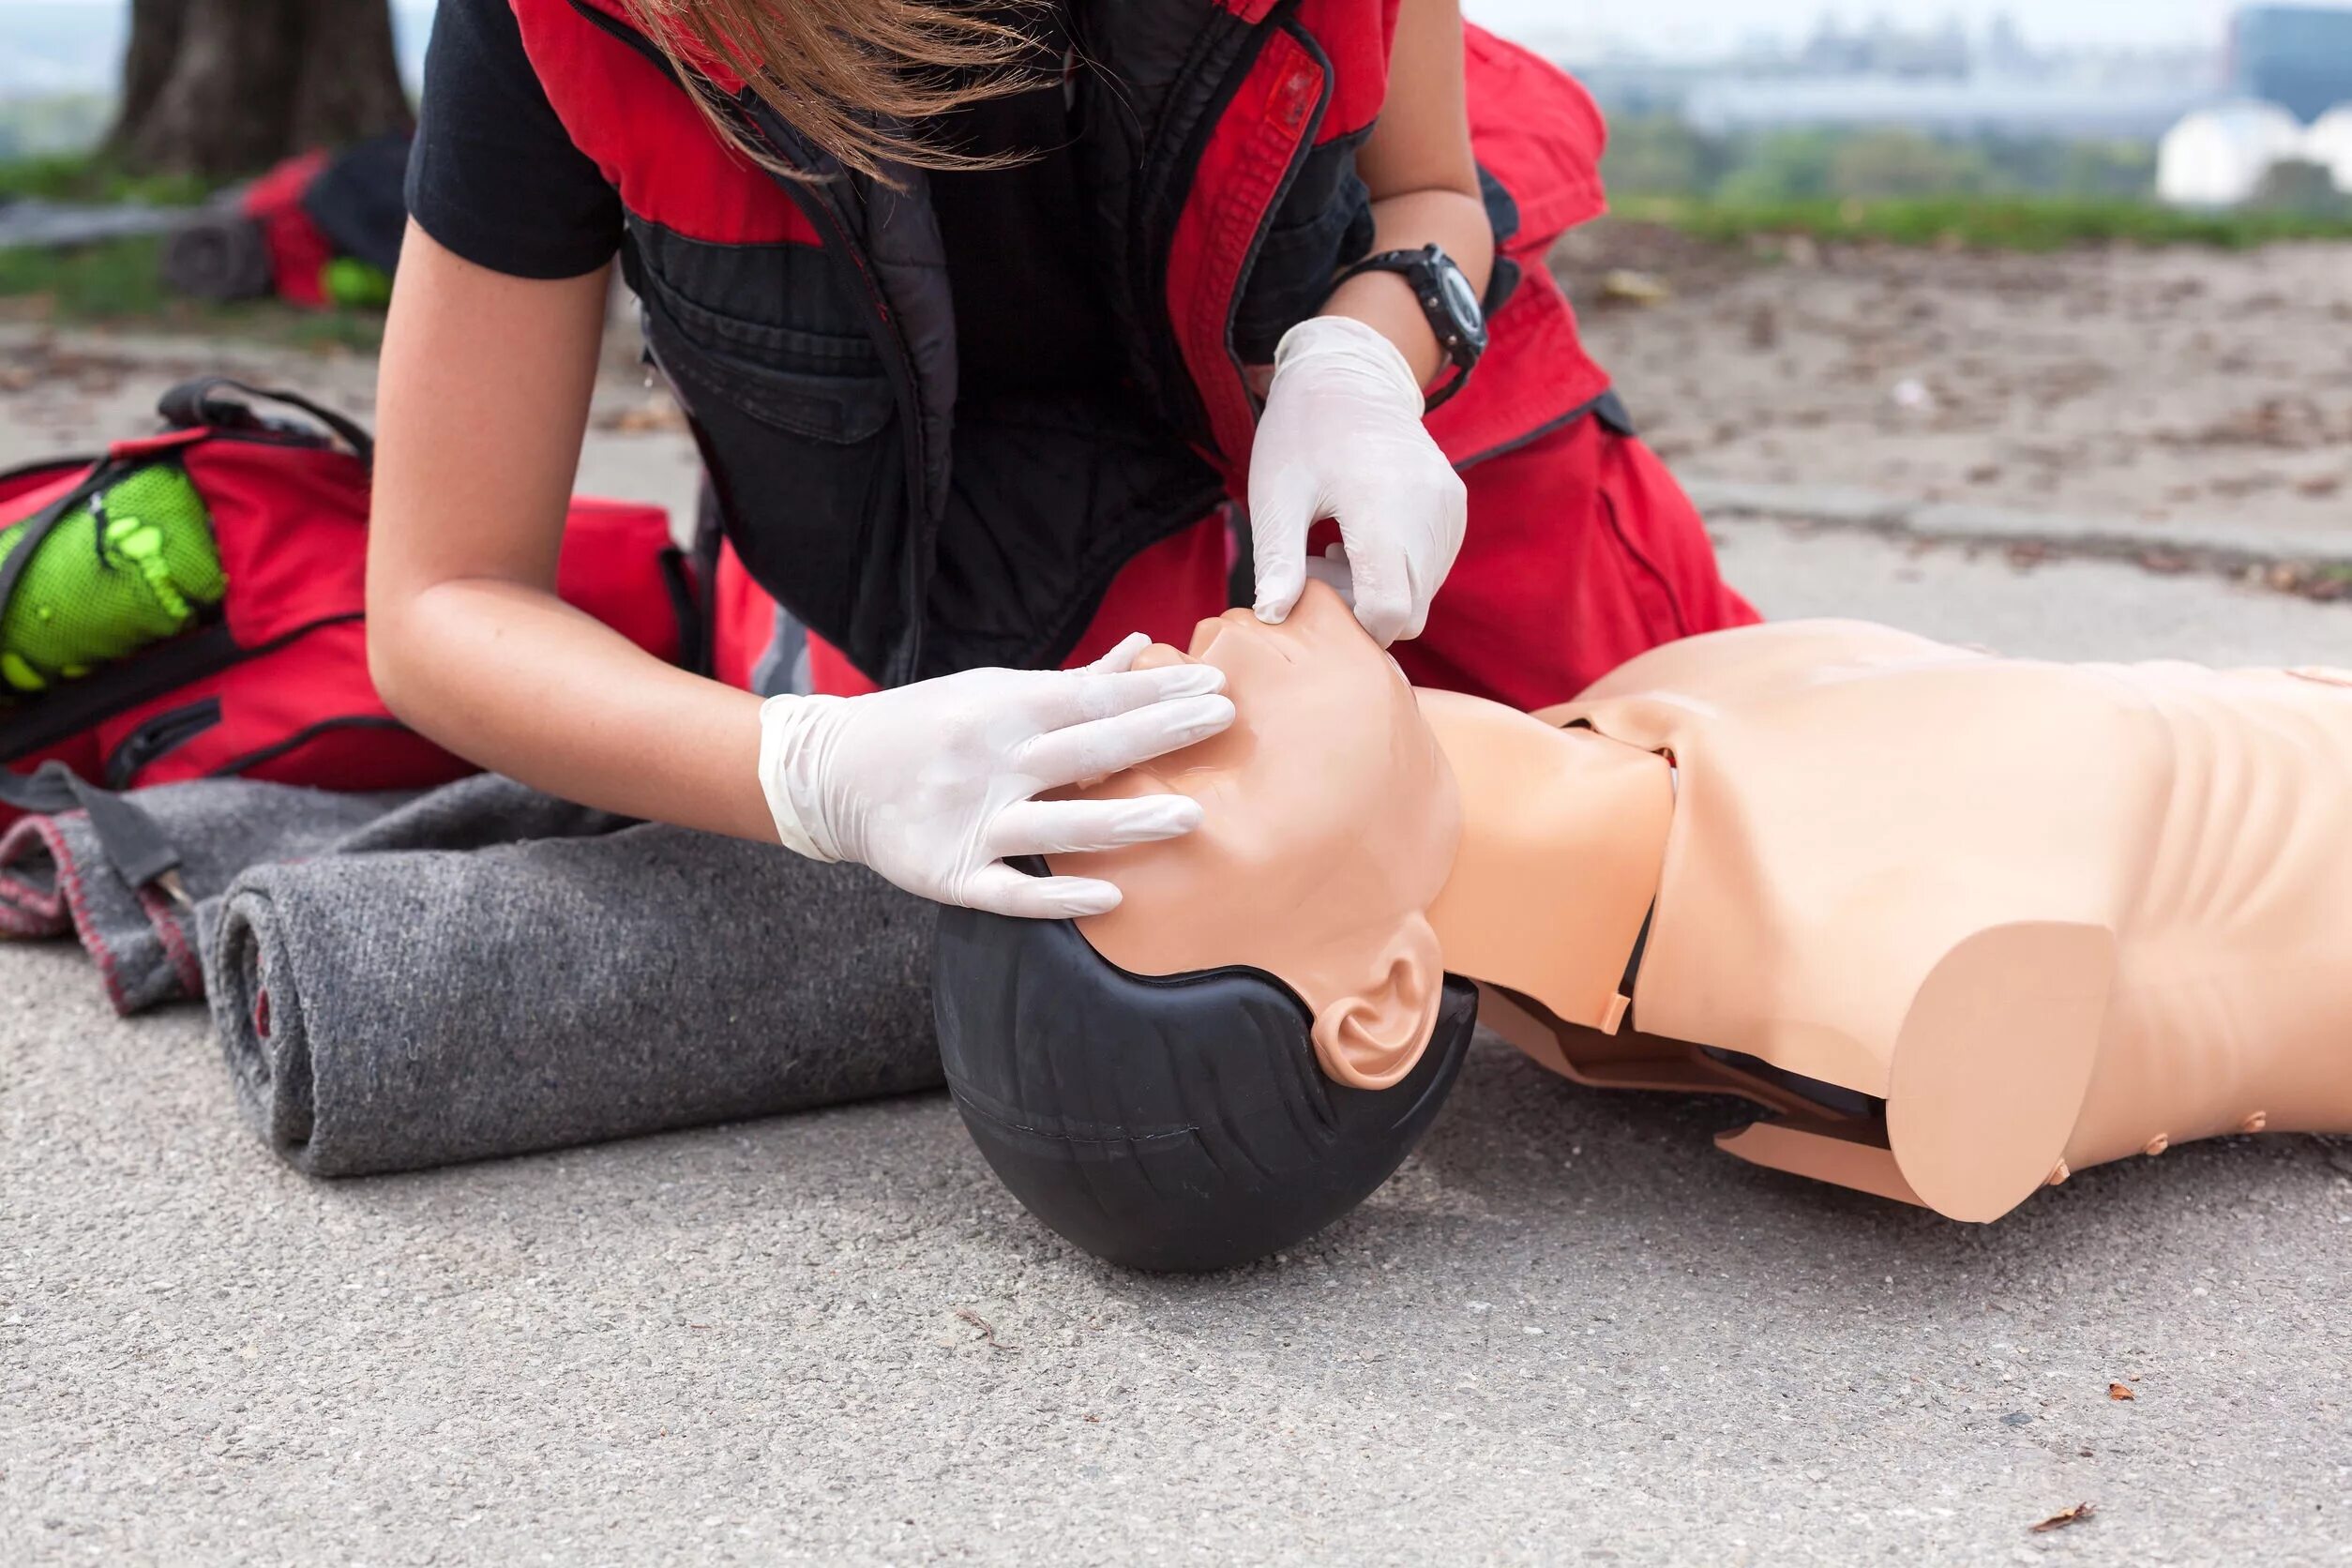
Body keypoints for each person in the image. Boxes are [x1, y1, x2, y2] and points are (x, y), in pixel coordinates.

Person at [367, 0, 1756, 917]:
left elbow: (1432, 191)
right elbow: (439, 604)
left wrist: (1373, 355)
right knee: (1144, 875)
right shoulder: (565, 26)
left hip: (1369, 390)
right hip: (944, 532)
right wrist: (803, 767)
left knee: (1732, 811)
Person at [935, 581, 2352, 1268]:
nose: (1150, 690)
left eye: (1093, 748)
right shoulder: (1908, 984)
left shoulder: (1620, 731)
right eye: (1170, 785)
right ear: (1376, 1006)